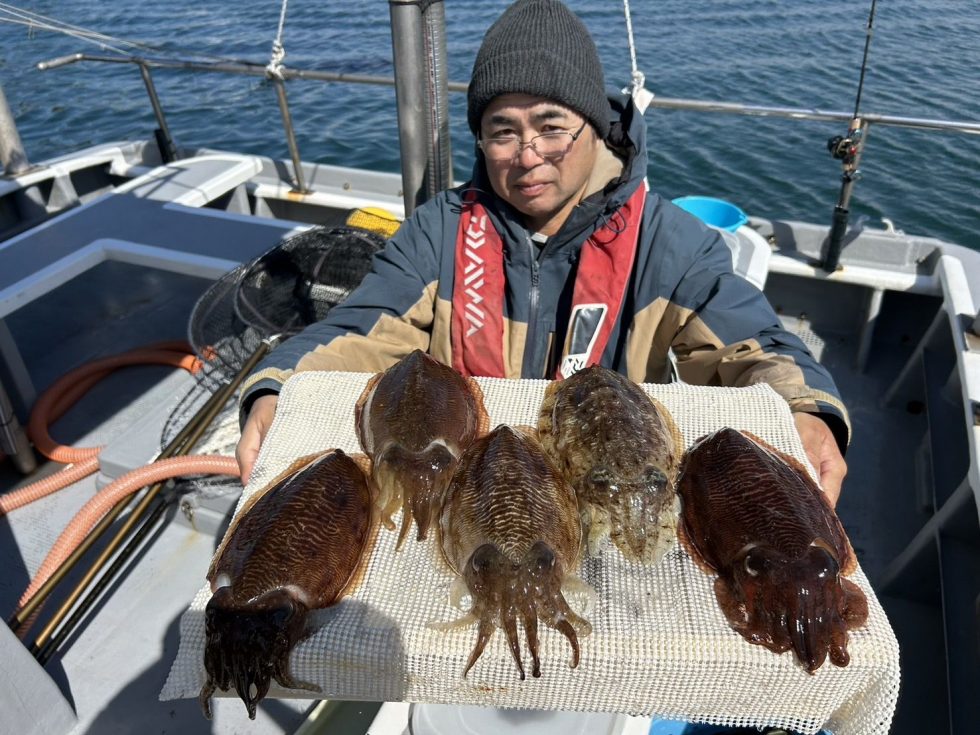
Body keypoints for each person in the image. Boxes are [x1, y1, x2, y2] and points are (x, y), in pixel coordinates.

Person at [236, 0, 848, 504]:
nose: (528, 155)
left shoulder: (673, 244)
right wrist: (277, 388)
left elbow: (754, 347)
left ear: (594, 126)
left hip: (606, 483)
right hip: (467, 482)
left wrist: (805, 410)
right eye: (503, 131)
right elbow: (361, 329)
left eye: (552, 126)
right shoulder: (437, 231)